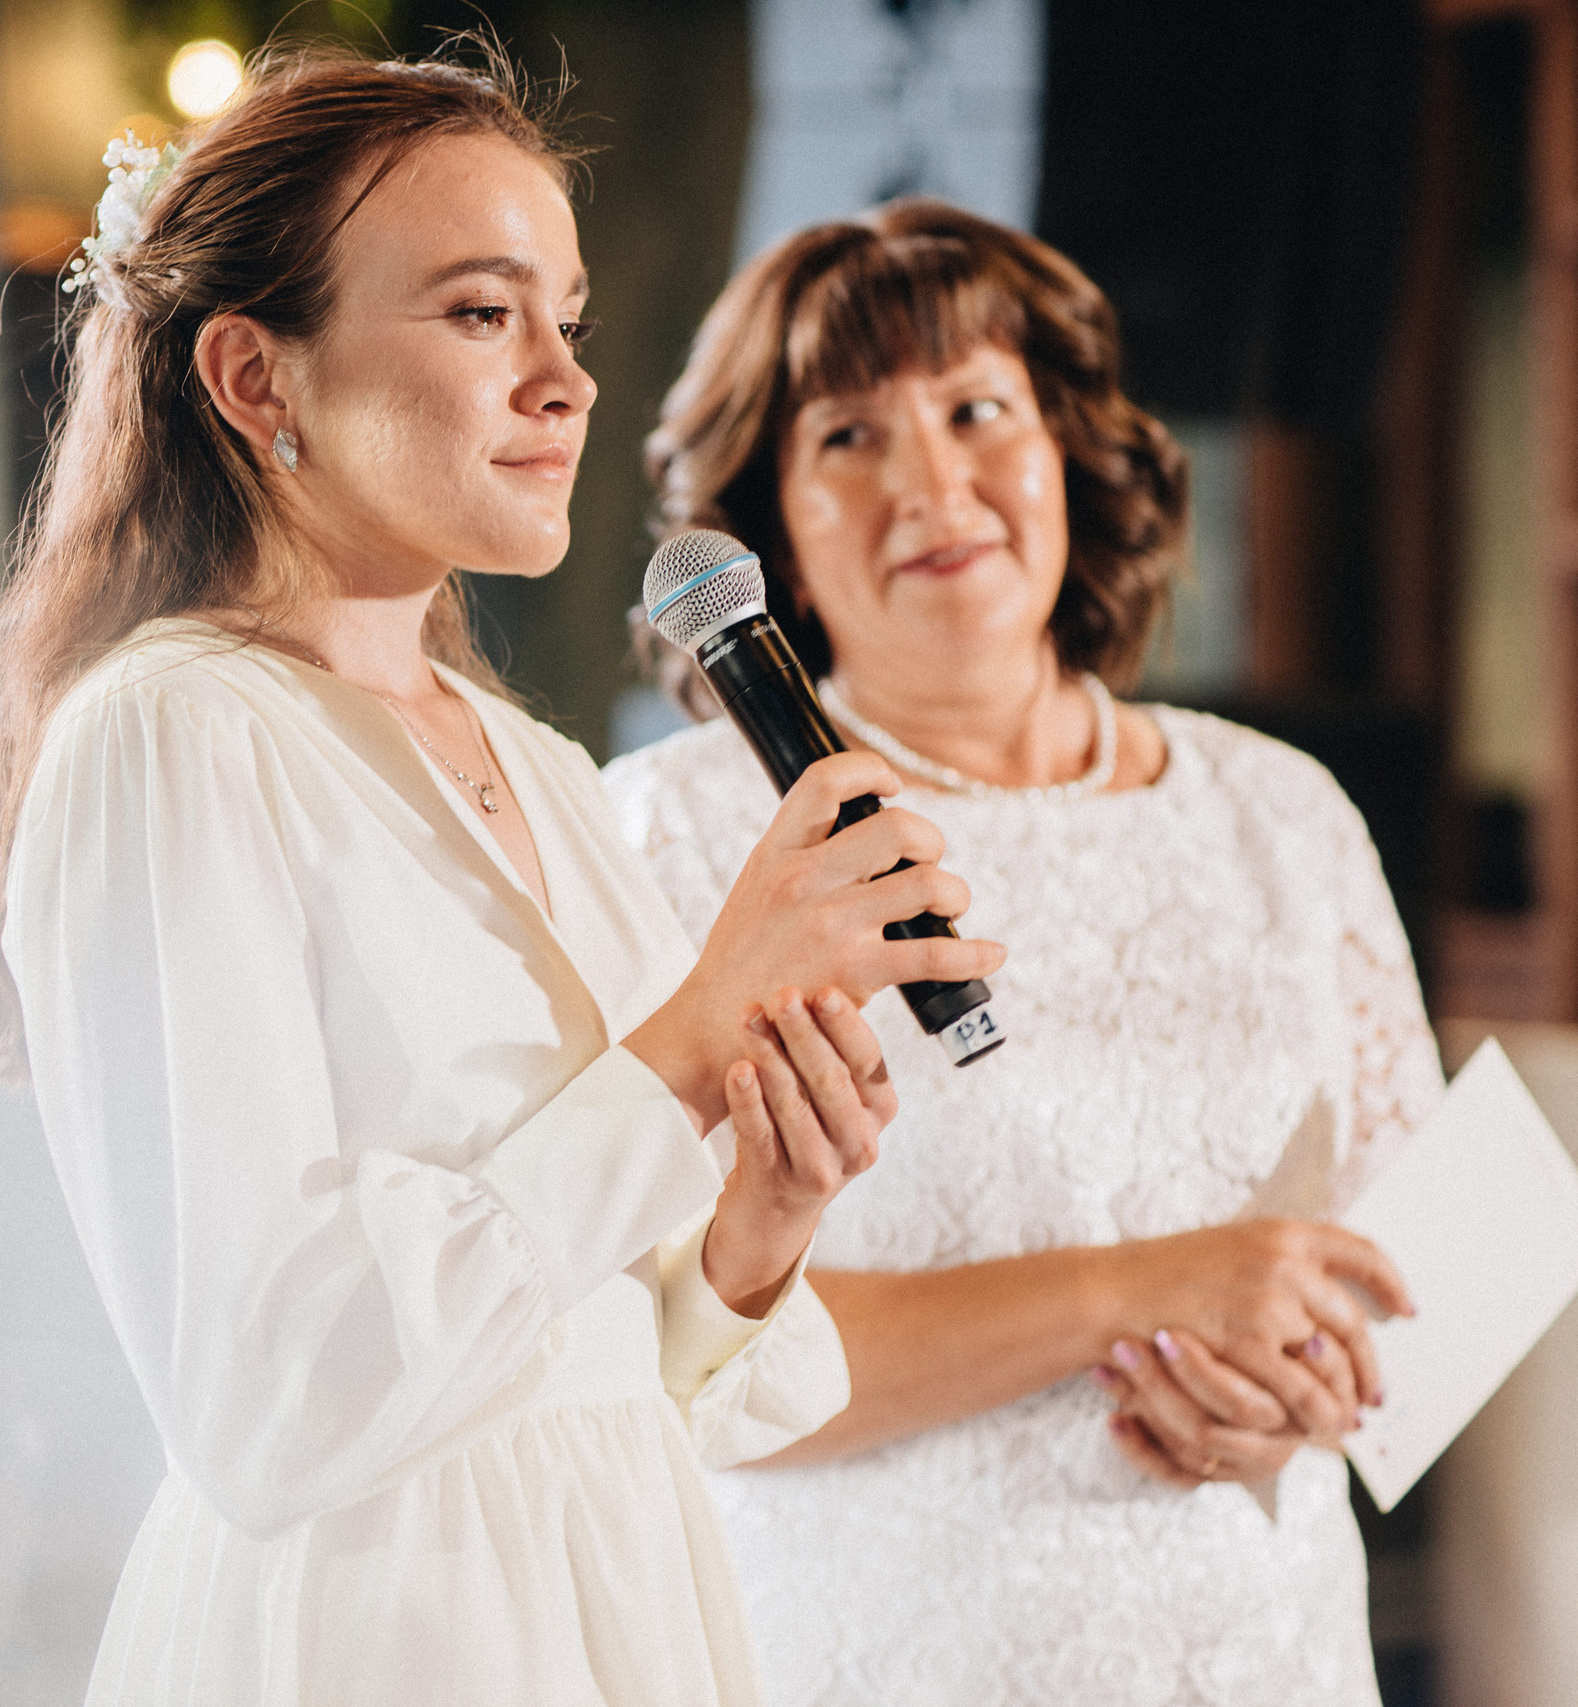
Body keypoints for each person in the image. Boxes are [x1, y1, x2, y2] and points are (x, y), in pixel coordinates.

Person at [0, 49, 1005, 1707]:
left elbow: (632, 1370)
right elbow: (267, 1397)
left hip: (615, 1605)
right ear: (255, 379)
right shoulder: (170, 739)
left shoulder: (549, 778)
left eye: (568, 322)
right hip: (373, 1633)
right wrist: (689, 1041)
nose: (564, 381)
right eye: (478, 313)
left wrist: (766, 1210)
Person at [604, 198, 1439, 1706]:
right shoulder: (672, 833)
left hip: (1268, 1648)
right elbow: (678, 1357)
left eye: (980, 410)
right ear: (771, 523)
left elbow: (1411, 1261)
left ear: (1069, 455)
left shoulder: (1282, 811)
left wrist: (1312, 1398)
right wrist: (1151, 1287)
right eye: (849, 437)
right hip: (881, 1652)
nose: (934, 480)